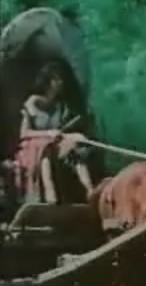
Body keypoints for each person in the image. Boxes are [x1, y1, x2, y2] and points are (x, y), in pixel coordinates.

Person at [15, 61, 93, 204]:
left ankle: (90, 191)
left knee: (73, 148)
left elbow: (59, 132)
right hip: (34, 147)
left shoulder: (59, 106)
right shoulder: (32, 104)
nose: (61, 82)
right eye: (57, 79)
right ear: (48, 81)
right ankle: (50, 196)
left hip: (54, 144)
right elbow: (24, 133)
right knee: (46, 149)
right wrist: (48, 134)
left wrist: (74, 136)